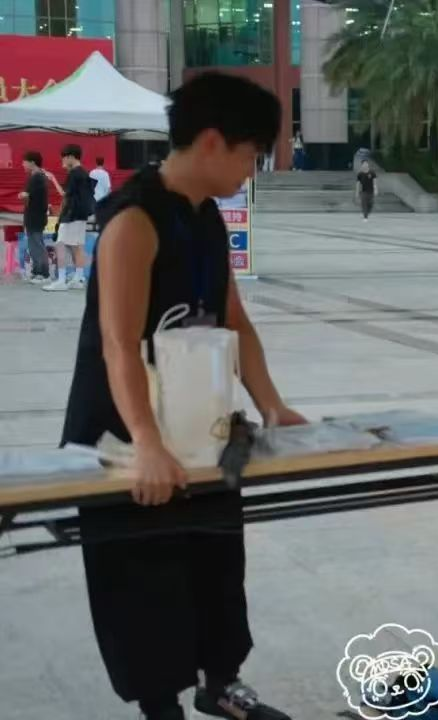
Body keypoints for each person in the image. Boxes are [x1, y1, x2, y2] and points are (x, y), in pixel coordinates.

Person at [61, 72, 304, 720]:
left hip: (202, 423)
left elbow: (235, 321)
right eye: (251, 155)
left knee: (217, 554)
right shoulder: (134, 221)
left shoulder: (206, 218)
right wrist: (145, 442)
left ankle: (221, 682)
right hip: (124, 429)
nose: (251, 171)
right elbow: (118, 344)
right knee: (143, 575)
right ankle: (159, 703)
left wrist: (272, 404)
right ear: (213, 142)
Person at [42, 144, 95, 292]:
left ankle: (61, 280)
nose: (63, 161)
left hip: (71, 215)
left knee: (60, 244)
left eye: (64, 158)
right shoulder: (84, 173)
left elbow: (64, 194)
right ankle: (78, 278)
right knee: (77, 246)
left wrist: (53, 179)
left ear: (71, 157)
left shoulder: (74, 174)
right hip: (81, 215)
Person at [18, 150, 51, 284]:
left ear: (32, 162)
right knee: (35, 244)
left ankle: (42, 273)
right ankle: (38, 271)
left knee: (36, 245)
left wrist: (21, 195)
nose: (23, 164)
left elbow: (26, 195)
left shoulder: (37, 177)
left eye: (24, 162)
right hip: (35, 215)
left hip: (35, 216)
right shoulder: (39, 176)